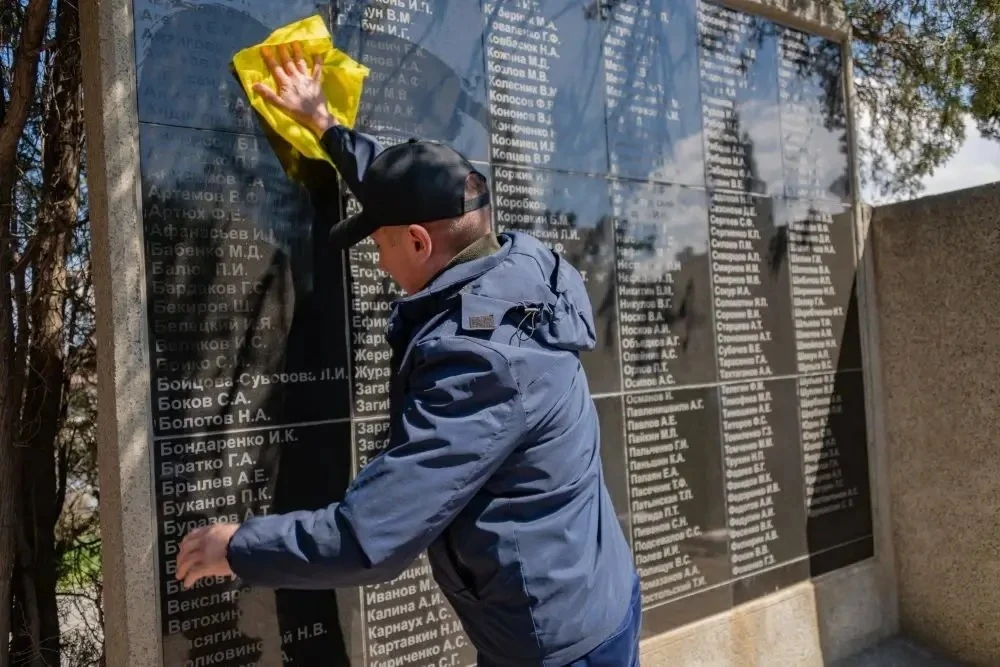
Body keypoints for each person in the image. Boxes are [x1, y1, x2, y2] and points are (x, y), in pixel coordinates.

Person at [176, 42, 641, 666]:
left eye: (379, 240)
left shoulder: (483, 367)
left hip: (553, 646)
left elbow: (370, 538)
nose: (375, 253)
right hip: (593, 596)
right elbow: (419, 187)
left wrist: (236, 546)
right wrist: (325, 124)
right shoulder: (523, 265)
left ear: (419, 242)